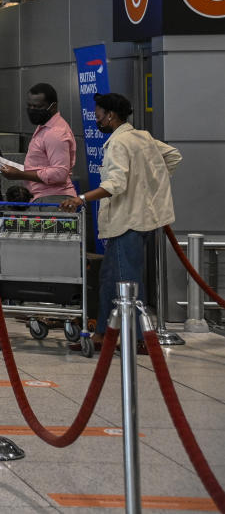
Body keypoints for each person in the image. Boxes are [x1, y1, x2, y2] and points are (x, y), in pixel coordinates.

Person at [60, 93, 181, 351]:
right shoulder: (142, 137)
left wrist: (80, 198)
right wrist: (148, 188)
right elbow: (172, 157)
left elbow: (115, 184)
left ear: (110, 115)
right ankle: (103, 335)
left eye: (98, 114)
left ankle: (137, 339)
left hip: (127, 223)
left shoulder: (119, 143)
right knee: (109, 280)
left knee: (127, 283)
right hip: (136, 221)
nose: (97, 118)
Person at [1, 82, 77, 203]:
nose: (32, 110)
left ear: (53, 106)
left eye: (37, 107)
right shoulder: (44, 125)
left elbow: (59, 173)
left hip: (53, 199)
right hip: (42, 197)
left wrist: (20, 174)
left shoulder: (56, 133)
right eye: (29, 106)